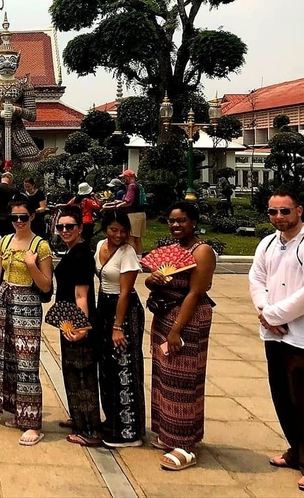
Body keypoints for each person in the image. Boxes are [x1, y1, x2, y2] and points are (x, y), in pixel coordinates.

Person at [249, 189, 304, 493]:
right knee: (283, 397)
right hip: (275, 333)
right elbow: (256, 279)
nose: (278, 217)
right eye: (272, 212)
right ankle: (297, 450)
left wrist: (273, 313)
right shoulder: (268, 244)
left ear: (299, 211)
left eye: (284, 211)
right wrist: (265, 310)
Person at [145, 202, 216, 471]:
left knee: (185, 379)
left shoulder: (202, 251)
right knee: (165, 377)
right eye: (172, 221)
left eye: (182, 221)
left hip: (188, 317)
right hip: (164, 314)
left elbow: (195, 293)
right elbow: (150, 282)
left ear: (194, 222)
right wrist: (154, 280)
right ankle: (169, 433)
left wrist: (177, 330)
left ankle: (186, 444)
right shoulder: (172, 251)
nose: (176, 225)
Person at [0, 199, 53, 447]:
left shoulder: (41, 246)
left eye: (23, 217)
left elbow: (46, 285)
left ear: (32, 217)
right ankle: (18, 411)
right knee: (8, 359)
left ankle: (32, 422)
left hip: (28, 304)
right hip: (5, 301)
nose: (18, 222)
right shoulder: (5, 242)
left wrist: (31, 265)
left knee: (27, 361)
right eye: (14, 217)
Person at [53, 205, 103, 447]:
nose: (64, 230)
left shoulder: (82, 255)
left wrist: (82, 327)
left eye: (70, 226)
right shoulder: (72, 251)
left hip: (77, 319)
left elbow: (82, 294)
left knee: (83, 374)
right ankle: (79, 418)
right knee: (72, 370)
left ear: (80, 228)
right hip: (68, 319)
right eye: (61, 226)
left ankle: (91, 429)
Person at [95, 209, 145, 448]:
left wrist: (118, 326)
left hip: (124, 311)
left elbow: (125, 292)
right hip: (104, 306)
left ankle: (129, 430)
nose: (118, 234)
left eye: (123, 230)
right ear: (106, 228)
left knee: (124, 367)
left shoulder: (128, 253)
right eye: (114, 230)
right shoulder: (100, 246)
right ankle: (112, 420)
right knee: (106, 367)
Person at [108, 170, 145, 254]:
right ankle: (139, 258)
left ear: (129, 177)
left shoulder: (131, 186)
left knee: (131, 239)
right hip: (141, 213)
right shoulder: (138, 185)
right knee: (138, 239)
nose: (123, 180)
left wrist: (117, 206)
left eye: (124, 177)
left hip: (133, 215)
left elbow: (128, 202)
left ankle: (133, 260)